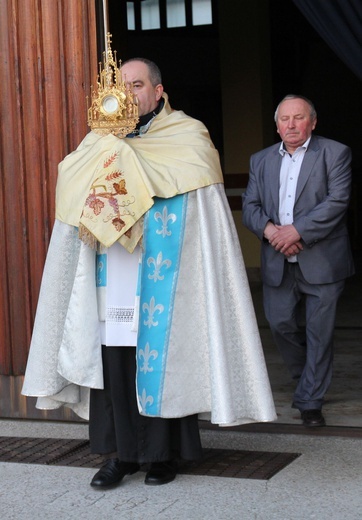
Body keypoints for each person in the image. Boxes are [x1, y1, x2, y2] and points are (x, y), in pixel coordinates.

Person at [22, 57, 276, 489]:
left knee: (162, 361)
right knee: (116, 366)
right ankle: (120, 456)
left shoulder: (188, 136)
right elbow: (72, 194)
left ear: (158, 91)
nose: (129, 95)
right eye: (121, 88)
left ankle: (163, 457)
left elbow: (204, 216)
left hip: (166, 278)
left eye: (137, 85)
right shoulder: (97, 143)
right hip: (113, 276)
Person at [242, 94, 355, 428]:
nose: (291, 125)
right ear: (276, 126)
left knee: (320, 333)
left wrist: (296, 232)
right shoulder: (260, 160)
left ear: (313, 122)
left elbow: (337, 202)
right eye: (284, 119)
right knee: (280, 324)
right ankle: (308, 375)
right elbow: (250, 205)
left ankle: (310, 400)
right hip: (277, 258)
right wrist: (272, 232)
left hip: (322, 259)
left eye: (299, 118)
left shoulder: (335, 153)